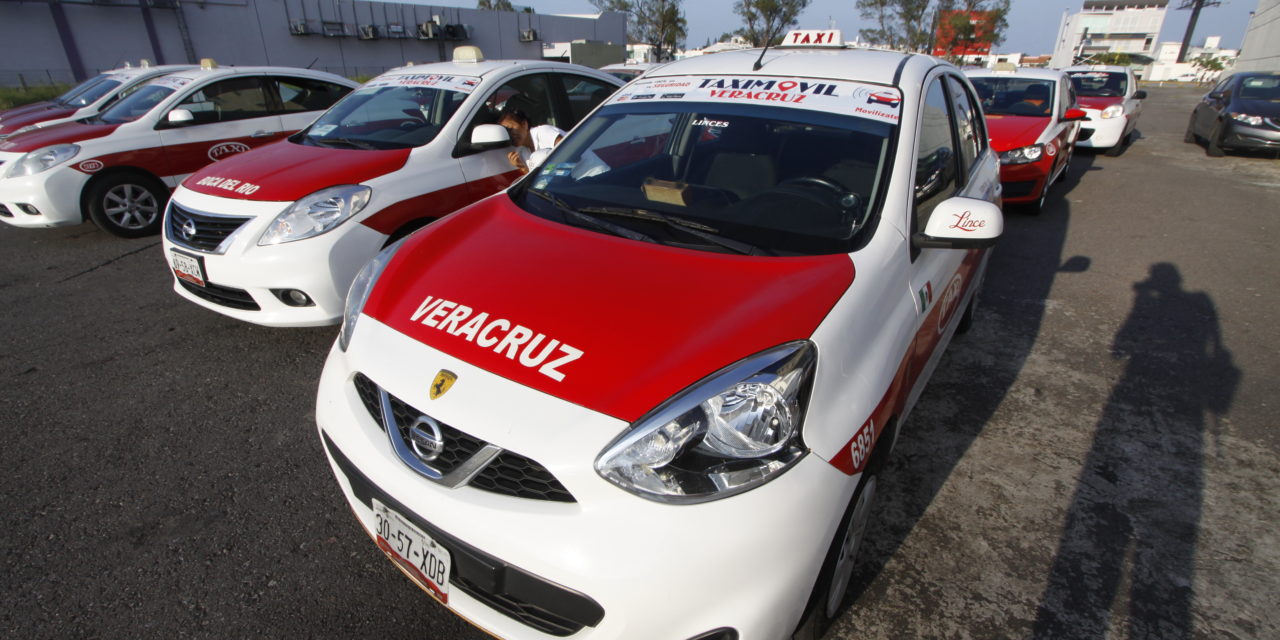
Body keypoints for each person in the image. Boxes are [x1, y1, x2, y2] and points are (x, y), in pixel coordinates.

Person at [498, 108, 565, 174]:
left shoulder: (544, 131)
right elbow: (536, 177)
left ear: (524, 124)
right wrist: (521, 167)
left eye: (510, 129)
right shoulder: (521, 153)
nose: (509, 134)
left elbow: (567, 150)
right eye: (506, 132)